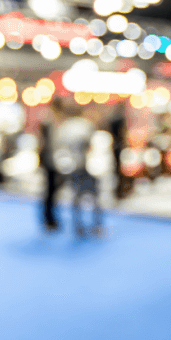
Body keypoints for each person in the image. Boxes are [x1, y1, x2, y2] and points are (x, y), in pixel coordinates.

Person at [54, 103, 102, 238]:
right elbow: (92, 145)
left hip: (71, 167)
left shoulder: (64, 127)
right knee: (92, 197)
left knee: (77, 196)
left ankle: (79, 226)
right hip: (84, 167)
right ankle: (96, 226)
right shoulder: (85, 125)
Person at [39, 100, 63, 233]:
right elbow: (46, 143)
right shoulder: (49, 120)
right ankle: (48, 219)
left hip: (53, 160)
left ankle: (50, 217)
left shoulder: (52, 120)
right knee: (50, 190)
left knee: (52, 190)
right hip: (50, 161)